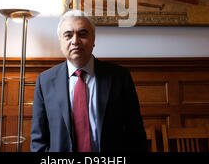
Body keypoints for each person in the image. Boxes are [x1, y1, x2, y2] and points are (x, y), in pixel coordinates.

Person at [30, 10, 147, 152]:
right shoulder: (45, 81)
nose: (75, 41)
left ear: (93, 40)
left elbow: (136, 134)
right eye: (68, 35)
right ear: (61, 42)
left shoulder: (119, 77)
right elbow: (38, 141)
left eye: (83, 34)